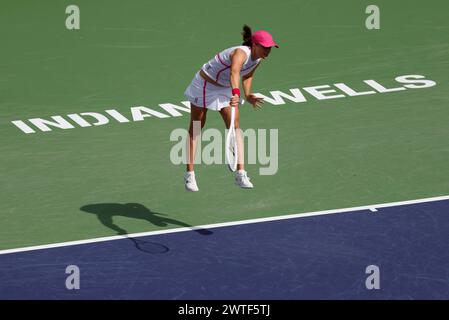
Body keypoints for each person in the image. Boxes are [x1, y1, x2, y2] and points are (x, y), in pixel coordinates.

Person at [183, 25, 279, 192]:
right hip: (205, 85)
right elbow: (235, 71)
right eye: (265, 47)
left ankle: (241, 173)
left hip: (225, 87)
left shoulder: (257, 59)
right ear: (254, 45)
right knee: (197, 127)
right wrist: (236, 93)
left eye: (270, 48)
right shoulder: (241, 53)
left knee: (235, 127)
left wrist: (247, 95)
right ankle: (189, 175)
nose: (268, 51)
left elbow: (247, 75)